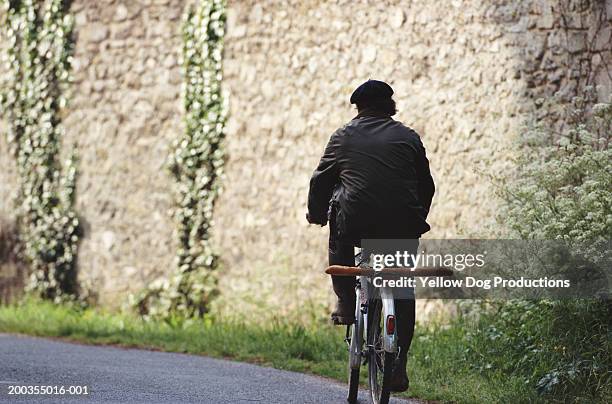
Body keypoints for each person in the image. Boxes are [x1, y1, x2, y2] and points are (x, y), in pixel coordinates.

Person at [306, 79, 435, 392]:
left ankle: (346, 301)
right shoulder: (408, 136)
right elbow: (426, 186)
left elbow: (320, 181)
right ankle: (399, 363)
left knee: (338, 233)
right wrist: (417, 218)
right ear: (390, 105)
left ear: (358, 107)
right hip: (403, 226)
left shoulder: (343, 136)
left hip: (355, 224)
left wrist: (315, 213)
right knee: (402, 288)